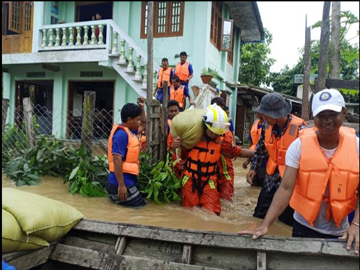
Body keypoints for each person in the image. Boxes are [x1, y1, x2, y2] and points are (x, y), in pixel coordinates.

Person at [239, 88, 359, 255]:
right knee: (263, 210)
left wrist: (356, 225)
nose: (327, 120)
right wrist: (264, 225)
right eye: (321, 115)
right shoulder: (299, 145)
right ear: (314, 116)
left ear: (344, 113)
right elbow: (285, 188)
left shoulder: (356, 147)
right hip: (299, 218)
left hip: (340, 232)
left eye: (332, 114)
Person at [171, 104, 255, 214]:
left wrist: (258, 153)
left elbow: (238, 152)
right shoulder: (191, 138)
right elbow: (176, 155)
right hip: (190, 180)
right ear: (206, 126)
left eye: (218, 133)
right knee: (190, 213)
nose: (215, 134)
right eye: (213, 132)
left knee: (212, 213)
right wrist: (174, 146)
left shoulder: (222, 141)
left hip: (209, 182)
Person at [246, 92, 307, 226]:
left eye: (266, 115)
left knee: (286, 221)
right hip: (271, 179)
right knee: (259, 215)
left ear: (277, 114)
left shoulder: (300, 129)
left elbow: (309, 159)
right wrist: (253, 168)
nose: (263, 117)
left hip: (291, 182)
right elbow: (261, 149)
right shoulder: (266, 126)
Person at [106, 97, 147, 208]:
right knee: (141, 210)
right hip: (120, 183)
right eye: (137, 119)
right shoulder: (121, 135)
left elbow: (144, 124)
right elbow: (117, 159)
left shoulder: (130, 131)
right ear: (129, 120)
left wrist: (142, 108)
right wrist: (121, 185)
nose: (139, 122)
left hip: (125, 181)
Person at [210, 98, 237, 201]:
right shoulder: (208, 120)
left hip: (225, 162)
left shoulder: (227, 121)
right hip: (213, 163)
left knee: (226, 196)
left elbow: (231, 134)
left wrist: (233, 147)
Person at [243, 109, 266, 187]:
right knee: (253, 185)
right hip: (254, 159)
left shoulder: (269, 127)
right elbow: (252, 145)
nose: (257, 113)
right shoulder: (255, 125)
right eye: (256, 111)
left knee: (263, 185)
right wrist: (247, 160)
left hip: (265, 162)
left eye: (259, 111)